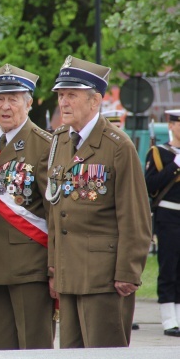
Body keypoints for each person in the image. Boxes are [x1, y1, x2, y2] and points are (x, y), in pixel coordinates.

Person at [46, 56, 151, 348]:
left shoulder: (118, 146)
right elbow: (56, 211)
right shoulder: (60, 142)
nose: (63, 103)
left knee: (105, 352)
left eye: (71, 95)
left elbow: (135, 216)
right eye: (61, 95)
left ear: (95, 101)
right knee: (70, 352)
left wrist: (128, 272)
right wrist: (54, 268)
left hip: (104, 277)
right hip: (69, 275)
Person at [0, 65, 55, 350]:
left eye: (13, 98)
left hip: (28, 265)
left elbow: (54, 214)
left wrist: (55, 268)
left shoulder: (44, 146)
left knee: (33, 346)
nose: (5, 106)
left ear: (29, 103)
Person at [145, 109, 180, 337]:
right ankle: (169, 318)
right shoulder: (159, 153)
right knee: (169, 266)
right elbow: (150, 185)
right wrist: (176, 163)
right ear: (171, 125)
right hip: (168, 216)